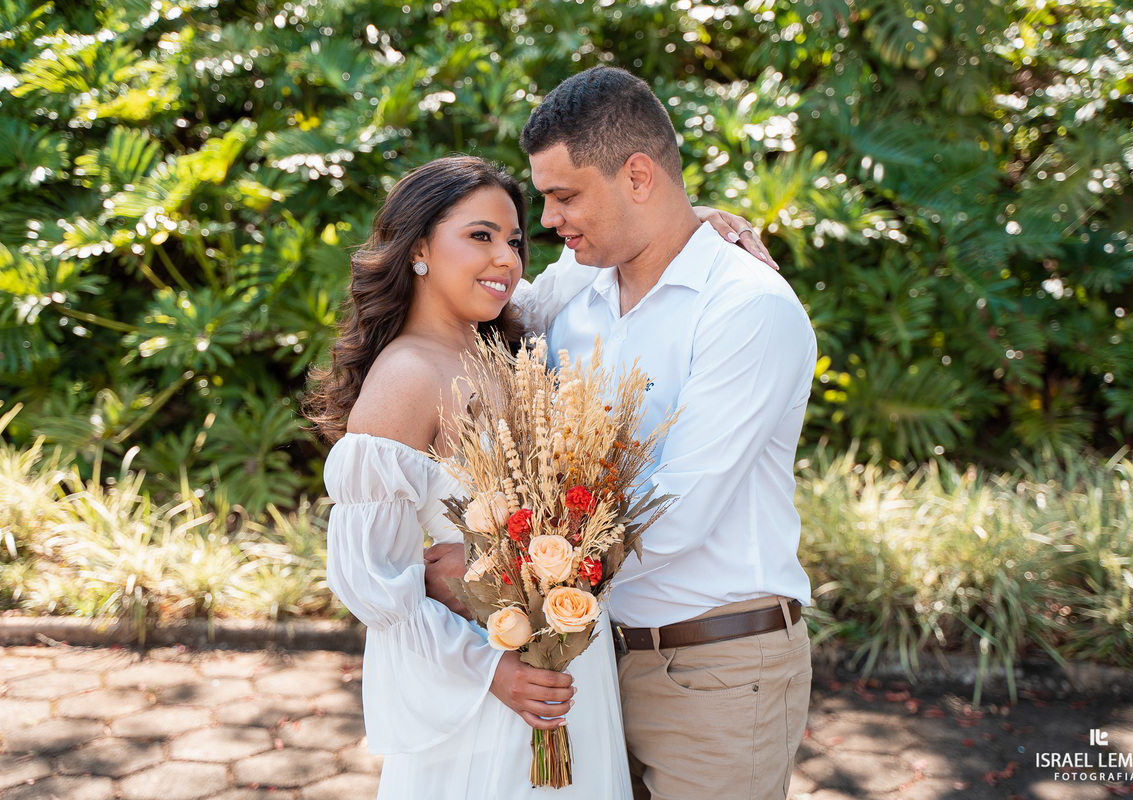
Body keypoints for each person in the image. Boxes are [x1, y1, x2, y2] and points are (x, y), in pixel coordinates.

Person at [306, 154, 761, 798]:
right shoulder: (407, 375)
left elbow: (574, 271)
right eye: (480, 236)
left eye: (515, 241)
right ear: (418, 250)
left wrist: (690, 220)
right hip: (496, 688)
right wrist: (492, 673)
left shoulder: (506, 342)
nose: (506, 260)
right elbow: (369, 578)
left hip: (569, 669)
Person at [426, 66, 815, 799]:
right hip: (587, 661)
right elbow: (466, 312)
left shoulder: (747, 308)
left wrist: (493, 568)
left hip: (718, 671)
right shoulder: (574, 295)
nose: (548, 221)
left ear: (638, 176)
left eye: (565, 196)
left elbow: (677, 512)